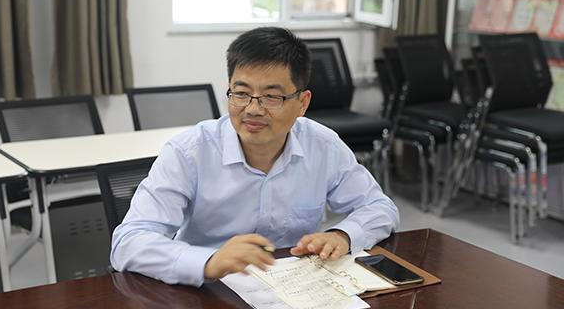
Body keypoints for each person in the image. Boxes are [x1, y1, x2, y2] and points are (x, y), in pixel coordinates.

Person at [110, 27, 399, 287]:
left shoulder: (323, 146)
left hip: (294, 290)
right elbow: (128, 241)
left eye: (272, 97)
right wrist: (209, 261)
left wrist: (342, 236)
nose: (252, 109)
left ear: (302, 103)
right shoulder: (189, 152)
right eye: (241, 93)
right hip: (207, 292)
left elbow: (379, 207)